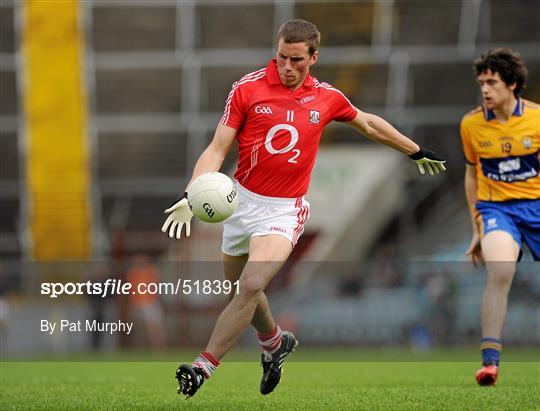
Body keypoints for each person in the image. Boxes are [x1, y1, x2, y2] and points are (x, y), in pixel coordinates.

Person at [162, 19, 446, 398]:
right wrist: (191, 194)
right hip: (240, 203)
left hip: (283, 210)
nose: (287, 66)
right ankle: (275, 342)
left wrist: (414, 150)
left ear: (314, 57)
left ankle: (202, 368)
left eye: (296, 59)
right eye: (282, 56)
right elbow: (217, 148)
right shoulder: (247, 89)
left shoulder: (326, 97)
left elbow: (369, 124)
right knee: (240, 292)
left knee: (250, 285)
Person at [460, 48, 539, 386]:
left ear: (512, 84)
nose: (485, 90)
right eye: (482, 83)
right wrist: (477, 225)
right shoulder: (471, 124)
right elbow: (472, 176)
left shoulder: (536, 118)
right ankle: (490, 362)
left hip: (536, 204)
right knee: (501, 270)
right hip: (497, 210)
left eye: (491, 82)